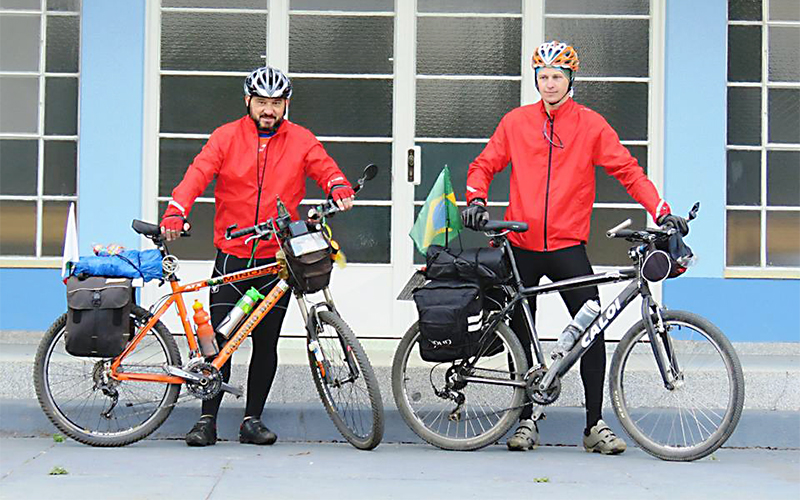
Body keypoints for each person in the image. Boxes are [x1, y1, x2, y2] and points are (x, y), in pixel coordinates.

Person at [461, 41, 688, 454]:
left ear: (570, 80)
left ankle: (594, 425)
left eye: (557, 77)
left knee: (592, 329)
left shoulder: (590, 125)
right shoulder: (516, 122)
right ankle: (525, 421)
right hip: (521, 244)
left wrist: (662, 211)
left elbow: (629, 172)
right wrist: (476, 198)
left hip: (568, 245)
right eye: (543, 77)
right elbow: (484, 164)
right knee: (521, 335)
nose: (549, 84)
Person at [160, 66, 355, 447]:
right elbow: (197, 175)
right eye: (262, 102)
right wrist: (176, 210)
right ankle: (206, 421)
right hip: (232, 255)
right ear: (248, 101)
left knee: (266, 343)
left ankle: (252, 420)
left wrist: (338, 186)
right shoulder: (225, 137)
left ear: (286, 105)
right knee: (218, 342)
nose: (269, 110)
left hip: (276, 260)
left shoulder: (301, 140)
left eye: (276, 103)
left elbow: (325, 168)